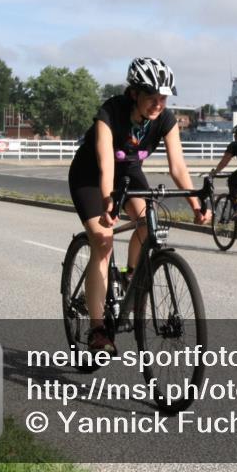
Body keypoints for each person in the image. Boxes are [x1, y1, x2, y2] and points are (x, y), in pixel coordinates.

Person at [68, 57, 211, 354]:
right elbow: (106, 163)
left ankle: (132, 277)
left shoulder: (166, 120)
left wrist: (196, 204)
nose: (158, 104)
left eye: (163, 97)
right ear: (134, 93)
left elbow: (178, 168)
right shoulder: (111, 112)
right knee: (103, 241)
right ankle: (97, 331)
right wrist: (109, 203)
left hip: (129, 171)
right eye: (151, 97)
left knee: (150, 224)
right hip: (90, 175)